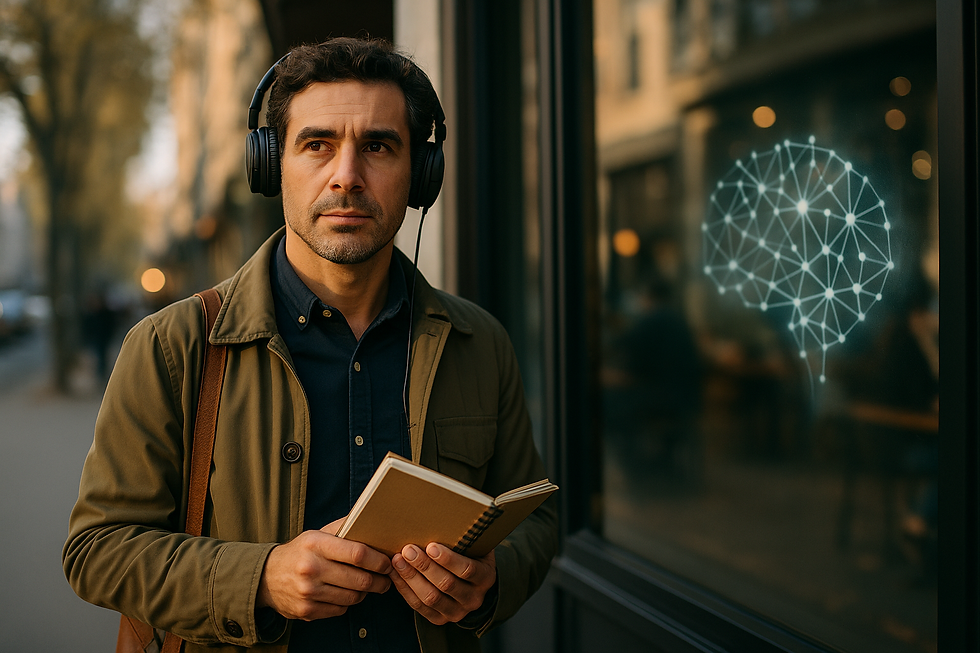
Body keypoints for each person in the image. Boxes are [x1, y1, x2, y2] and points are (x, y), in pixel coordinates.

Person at [63, 37, 558, 652]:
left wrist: (490, 580)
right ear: (272, 166)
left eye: (378, 146)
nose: (347, 176)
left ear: (421, 174)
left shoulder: (479, 343)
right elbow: (97, 550)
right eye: (317, 144)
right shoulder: (171, 347)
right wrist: (261, 578)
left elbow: (535, 520)